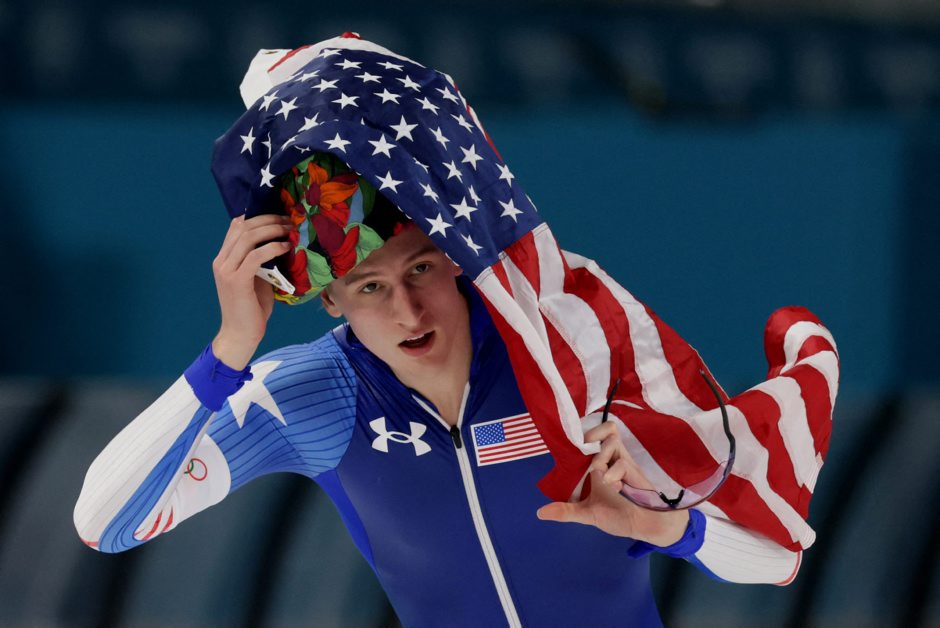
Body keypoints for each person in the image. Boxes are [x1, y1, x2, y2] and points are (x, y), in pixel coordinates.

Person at [74, 34, 817, 627]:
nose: (407, 311)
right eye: (370, 287)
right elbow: (106, 523)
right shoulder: (314, 398)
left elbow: (775, 559)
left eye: (422, 269)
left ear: (458, 256)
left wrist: (669, 528)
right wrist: (229, 349)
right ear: (330, 301)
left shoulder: (565, 350)